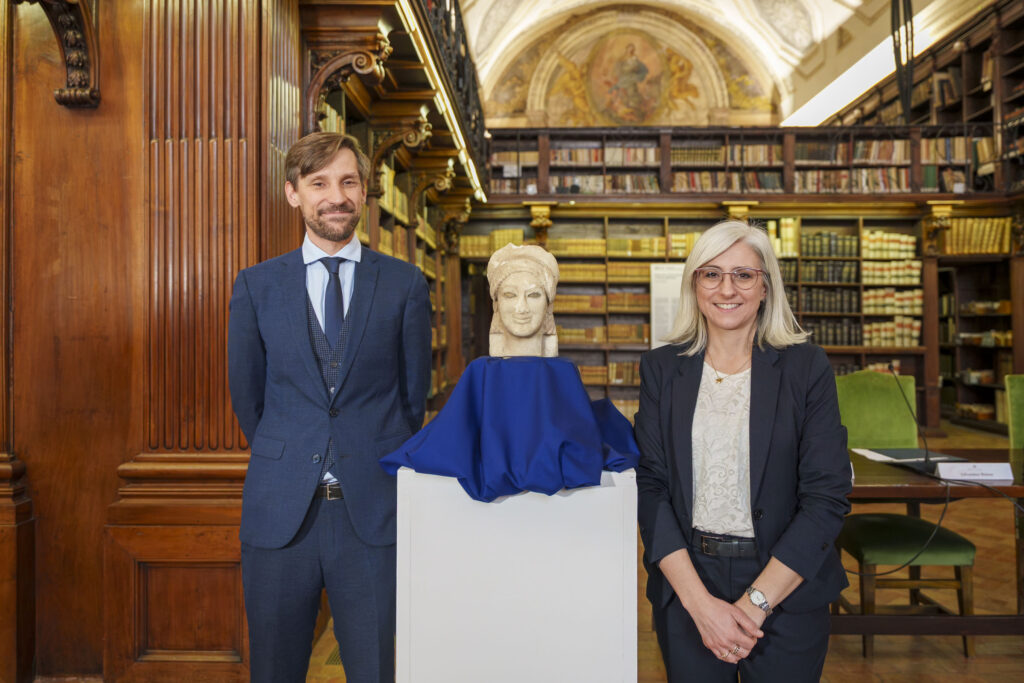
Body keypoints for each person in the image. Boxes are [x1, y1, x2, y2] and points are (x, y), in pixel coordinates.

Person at [228, 131, 432, 682]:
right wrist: (292, 455)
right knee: (275, 670)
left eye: (347, 182)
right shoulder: (256, 287)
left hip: (371, 516)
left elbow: (412, 401)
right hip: (280, 515)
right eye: (319, 183)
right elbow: (249, 399)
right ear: (293, 193)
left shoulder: (405, 285)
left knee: (372, 670)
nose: (335, 197)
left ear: (364, 191)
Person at [635, 219, 851, 682]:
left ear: (765, 286)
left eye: (743, 275)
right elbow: (651, 490)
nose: (726, 288)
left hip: (786, 581)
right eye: (711, 274)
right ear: (694, 285)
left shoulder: (807, 367)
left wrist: (755, 604)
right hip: (689, 581)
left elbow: (826, 497)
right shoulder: (660, 369)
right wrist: (700, 605)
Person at [487, 243, 559, 357]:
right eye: (510, 295)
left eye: (533, 295)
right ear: (495, 305)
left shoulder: (563, 367)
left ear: (549, 306)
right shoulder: (482, 367)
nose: (521, 308)